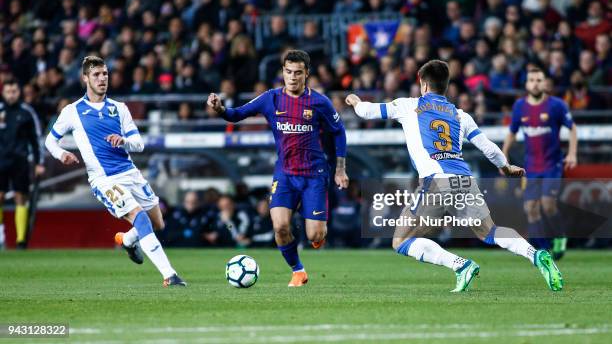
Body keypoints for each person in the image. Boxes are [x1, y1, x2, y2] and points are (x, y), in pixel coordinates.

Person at [346, 60, 563, 292]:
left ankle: (460, 265)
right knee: (490, 232)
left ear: (424, 84)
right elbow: (488, 147)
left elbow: (367, 111)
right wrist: (506, 166)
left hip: (436, 181)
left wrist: (355, 101)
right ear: (446, 86)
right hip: (465, 180)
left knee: (400, 241)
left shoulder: (408, 105)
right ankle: (535, 254)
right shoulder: (460, 115)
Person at [207, 50, 349, 287]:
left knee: (315, 235)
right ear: (283, 72)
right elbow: (236, 114)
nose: (292, 77)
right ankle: (298, 271)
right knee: (280, 226)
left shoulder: (319, 102)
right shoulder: (270, 99)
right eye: (288, 72)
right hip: (285, 173)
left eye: (298, 73)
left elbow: (339, 132)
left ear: (307, 74)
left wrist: (340, 169)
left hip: (315, 175)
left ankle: (316, 230)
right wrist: (220, 109)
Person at [44, 56, 185, 287]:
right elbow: (50, 141)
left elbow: (139, 143)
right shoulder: (72, 111)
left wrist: (124, 141)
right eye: (96, 75)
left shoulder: (119, 109)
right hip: (104, 180)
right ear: (85, 78)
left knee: (157, 223)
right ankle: (170, 275)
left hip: (130, 173)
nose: (102, 79)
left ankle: (128, 240)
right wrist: (62, 154)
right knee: (140, 218)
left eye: (105, 74)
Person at [502, 68, 578, 260]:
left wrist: (572, 153)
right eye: (531, 80)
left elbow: (572, 128)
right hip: (531, 166)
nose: (535, 83)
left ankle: (560, 236)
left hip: (552, 164)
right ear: (526, 84)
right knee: (530, 209)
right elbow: (512, 132)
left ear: (544, 83)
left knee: (548, 205)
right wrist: (503, 156)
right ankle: (544, 250)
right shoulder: (520, 106)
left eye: (539, 80)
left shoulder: (557, 105)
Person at [0, 79, 45, 249]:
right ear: (3, 93)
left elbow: (36, 138)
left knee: (21, 197)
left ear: (19, 92)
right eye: (8, 91)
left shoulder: (27, 112)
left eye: (14, 91)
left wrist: (39, 162)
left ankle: (20, 241)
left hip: (20, 161)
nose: (11, 95)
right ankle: (1, 238)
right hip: (1, 160)